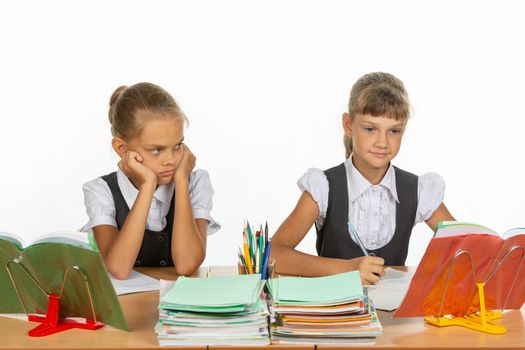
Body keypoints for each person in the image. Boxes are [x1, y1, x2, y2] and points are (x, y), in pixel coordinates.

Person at [270, 72, 455, 284]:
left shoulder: (418, 190)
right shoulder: (324, 188)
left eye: (394, 131)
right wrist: (346, 268)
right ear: (348, 125)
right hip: (335, 312)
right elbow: (274, 254)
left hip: (391, 315)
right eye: (370, 129)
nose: (382, 142)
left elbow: (468, 247)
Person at [82, 82, 219, 279]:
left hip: (177, 307)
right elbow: (119, 269)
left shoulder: (195, 182)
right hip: (128, 308)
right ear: (122, 148)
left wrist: (181, 181)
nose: (171, 160)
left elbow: (186, 265)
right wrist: (147, 186)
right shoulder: (101, 191)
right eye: (156, 150)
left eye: (178, 145)